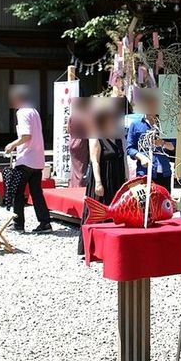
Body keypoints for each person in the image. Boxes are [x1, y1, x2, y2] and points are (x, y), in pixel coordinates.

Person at [78, 103, 127, 254]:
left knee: (115, 210)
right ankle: (93, 247)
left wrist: (126, 178)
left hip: (116, 177)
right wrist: (98, 182)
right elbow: (95, 160)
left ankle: (112, 246)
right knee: (98, 211)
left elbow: (123, 158)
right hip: (102, 176)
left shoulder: (118, 136)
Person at [3, 85, 52, 233]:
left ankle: (18, 224)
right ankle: (45, 223)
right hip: (37, 159)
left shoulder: (22, 112)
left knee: (17, 191)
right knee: (36, 192)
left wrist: (12, 145)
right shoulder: (33, 111)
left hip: (26, 158)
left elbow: (26, 135)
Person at [126, 89, 175, 191]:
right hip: (144, 173)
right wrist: (141, 157)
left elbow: (174, 146)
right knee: (145, 204)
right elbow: (130, 148)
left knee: (162, 204)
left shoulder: (165, 125)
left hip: (164, 172)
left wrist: (162, 143)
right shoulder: (135, 125)